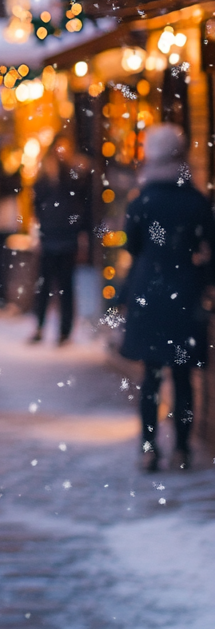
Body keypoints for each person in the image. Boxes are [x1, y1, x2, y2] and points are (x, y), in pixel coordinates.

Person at [119, 123, 214, 472]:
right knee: (184, 376)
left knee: (151, 377)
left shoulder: (142, 199)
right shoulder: (195, 200)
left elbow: (131, 243)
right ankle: (183, 448)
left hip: (150, 291)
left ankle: (149, 447)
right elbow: (210, 245)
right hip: (185, 292)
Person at [30, 134, 90, 345]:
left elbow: (82, 203)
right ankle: (41, 326)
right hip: (51, 234)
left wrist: (80, 230)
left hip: (66, 235)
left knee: (63, 285)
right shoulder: (46, 175)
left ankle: (63, 330)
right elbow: (37, 203)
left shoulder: (73, 173)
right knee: (46, 285)